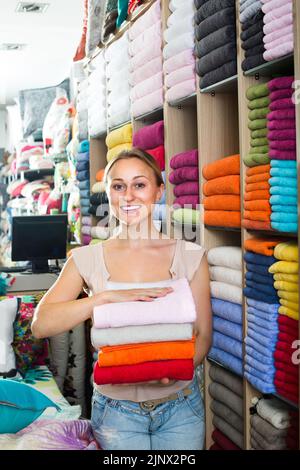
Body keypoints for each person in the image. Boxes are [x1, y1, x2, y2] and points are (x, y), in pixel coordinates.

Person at [32, 148, 212, 450]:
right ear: (109, 194)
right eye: (118, 186)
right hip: (117, 414)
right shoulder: (86, 259)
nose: (128, 196)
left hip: (181, 408)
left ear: (158, 191)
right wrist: (102, 299)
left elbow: (204, 335)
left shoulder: (190, 256)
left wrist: (169, 373)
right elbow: (40, 325)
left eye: (139, 184)